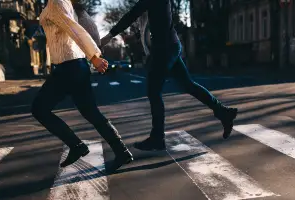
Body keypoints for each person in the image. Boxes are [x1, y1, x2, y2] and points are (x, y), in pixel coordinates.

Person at [100, 0, 238, 151]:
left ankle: (157, 137)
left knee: (154, 91)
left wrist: (109, 36)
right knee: (188, 85)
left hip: (164, 48)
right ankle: (223, 112)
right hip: (169, 45)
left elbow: (132, 14)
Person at [32, 0, 133, 169]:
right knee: (91, 112)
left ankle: (76, 145)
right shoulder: (63, 3)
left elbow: (75, 29)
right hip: (75, 65)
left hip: (68, 66)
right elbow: (86, 26)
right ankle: (121, 152)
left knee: (39, 109)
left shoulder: (57, 2)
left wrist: (94, 56)